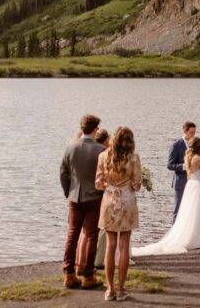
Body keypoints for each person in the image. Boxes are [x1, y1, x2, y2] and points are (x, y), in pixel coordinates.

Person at [133, 136, 200, 256]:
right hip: (199, 186)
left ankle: (191, 235)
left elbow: (197, 173)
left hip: (190, 185)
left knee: (189, 212)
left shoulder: (187, 157)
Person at [96, 126, 143, 301]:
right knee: (124, 246)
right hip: (127, 200)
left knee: (110, 245)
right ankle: (121, 289)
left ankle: (110, 290)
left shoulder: (102, 156)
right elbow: (137, 185)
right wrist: (128, 183)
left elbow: (98, 184)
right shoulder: (134, 158)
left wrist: (110, 185)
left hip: (109, 200)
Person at [59, 114, 105, 290]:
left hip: (74, 197)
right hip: (94, 197)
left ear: (81, 128)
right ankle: (88, 275)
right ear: (95, 130)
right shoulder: (101, 150)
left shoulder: (70, 148)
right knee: (92, 235)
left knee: (72, 235)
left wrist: (68, 192)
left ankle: (69, 274)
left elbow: (63, 173)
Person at [167, 121, 197, 222]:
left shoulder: (193, 145)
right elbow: (170, 165)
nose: (193, 135)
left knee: (190, 210)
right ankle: (173, 235)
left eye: (194, 132)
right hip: (180, 182)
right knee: (178, 210)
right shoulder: (176, 145)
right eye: (191, 132)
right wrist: (185, 166)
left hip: (192, 182)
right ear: (185, 131)